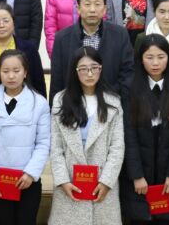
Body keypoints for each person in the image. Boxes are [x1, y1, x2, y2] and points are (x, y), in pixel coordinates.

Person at [48, 47, 125, 225]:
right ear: (74, 71)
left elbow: (117, 148)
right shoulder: (60, 100)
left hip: (102, 185)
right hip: (69, 184)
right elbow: (56, 147)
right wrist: (63, 180)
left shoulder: (113, 102)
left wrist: (106, 181)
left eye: (94, 68)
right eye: (83, 69)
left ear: (101, 69)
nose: (89, 73)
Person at [122, 35, 169, 224]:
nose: (155, 63)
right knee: (139, 218)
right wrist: (136, 175)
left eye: (161, 57)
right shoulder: (130, 86)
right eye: (149, 57)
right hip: (139, 175)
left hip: (168, 172)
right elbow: (128, 135)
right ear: (140, 59)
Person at [0, 49, 51, 225]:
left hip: (28, 181)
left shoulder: (39, 103)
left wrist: (30, 173)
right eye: (5, 71)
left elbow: (43, 143)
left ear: (25, 72)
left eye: (16, 71)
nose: (11, 76)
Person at [49, 0, 134, 102]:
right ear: (78, 8)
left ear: (104, 9)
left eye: (97, 4)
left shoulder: (120, 35)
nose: (92, 9)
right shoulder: (62, 38)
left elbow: (127, 75)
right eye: (87, 4)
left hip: (111, 104)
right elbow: (57, 81)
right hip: (74, 104)